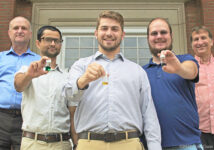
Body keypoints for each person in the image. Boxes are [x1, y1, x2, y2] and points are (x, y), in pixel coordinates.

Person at [63, 10, 162, 150]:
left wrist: (155, 147)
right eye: (104, 28)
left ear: (123, 35)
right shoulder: (81, 66)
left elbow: (149, 114)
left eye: (115, 29)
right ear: (96, 33)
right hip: (89, 143)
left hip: (129, 144)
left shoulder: (137, 71)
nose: (109, 33)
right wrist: (83, 80)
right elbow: (68, 96)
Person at [142, 18, 203, 150]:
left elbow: (191, 71)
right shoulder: (141, 72)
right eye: (154, 33)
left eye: (163, 32)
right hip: (152, 145)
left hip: (187, 144)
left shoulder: (185, 59)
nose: (159, 36)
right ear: (148, 38)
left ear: (171, 35)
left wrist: (178, 68)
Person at [14, 25, 75, 150]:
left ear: (60, 45)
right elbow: (18, 86)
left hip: (61, 143)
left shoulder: (68, 77)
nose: (53, 44)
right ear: (38, 43)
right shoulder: (27, 70)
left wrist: (77, 143)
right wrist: (28, 76)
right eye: (48, 39)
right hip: (33, 143)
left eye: (57, 41)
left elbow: (72, 114)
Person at [0, 16, 40, 150]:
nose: (19, 31)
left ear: (30, 34)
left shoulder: (40, 61)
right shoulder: (0, 58)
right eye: (15, 28)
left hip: (27, 119)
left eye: (24, 28)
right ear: (9, 33)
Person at [191, 26, 214, 150]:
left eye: (203, 38)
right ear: (192, 44)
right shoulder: (189, 68)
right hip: (199, 132)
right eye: (196, 39)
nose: (200, 42)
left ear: (211, 41)